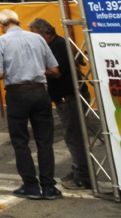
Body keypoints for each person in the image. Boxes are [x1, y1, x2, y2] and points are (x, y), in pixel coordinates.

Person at [0, 9, 61, 200]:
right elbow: (54, 70)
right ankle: (49, 187)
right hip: (40, 91)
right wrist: (35, 69)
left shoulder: (0, 41)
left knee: (21, 141)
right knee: (45, 141)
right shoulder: (37, 39)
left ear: (2, 25)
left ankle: (31, 185)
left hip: (17, 93)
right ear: (18, 22)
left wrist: (14, 69)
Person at [29, 17, 96, 190]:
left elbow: (56, 72)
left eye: (34, 34)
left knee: (75, 138)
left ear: (46, 33)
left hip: (70, 98)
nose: (33, 37)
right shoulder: (53, 45)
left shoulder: (58, 45)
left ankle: (83, 176)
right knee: (72, 136)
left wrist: (35, 70)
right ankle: (78, 170)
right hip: (65, 98)